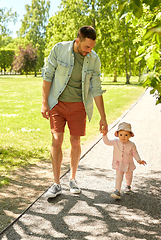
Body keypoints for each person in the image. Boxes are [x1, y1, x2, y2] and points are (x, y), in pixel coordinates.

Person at [41, 26, 108, 198]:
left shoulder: (94, 59)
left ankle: (72, 179)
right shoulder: (59, 49)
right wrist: (44, 103)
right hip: (57, 103)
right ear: (78, 41)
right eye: (87, 47)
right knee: (57, 140)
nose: (89, 51)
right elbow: (47, 76)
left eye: (92, 47)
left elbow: (96, 88)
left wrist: (103, 117)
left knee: (75, 141)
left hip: (79, 105)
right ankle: (56, 183)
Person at [102, 122, 146, 199]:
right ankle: (117, 191)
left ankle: (128, 187)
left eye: (126, 135)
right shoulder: (115, 142)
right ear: (118, 134)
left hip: (129, 163)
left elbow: (135, 153)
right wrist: (104, 135)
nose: (123, 137)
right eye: (121, 135)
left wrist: (139, 160)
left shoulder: (131, 145)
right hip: (119, 164)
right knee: (119, 177)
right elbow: (107, 142)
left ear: (130, 135)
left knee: (129, 176)